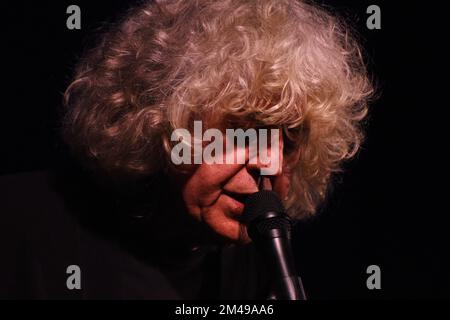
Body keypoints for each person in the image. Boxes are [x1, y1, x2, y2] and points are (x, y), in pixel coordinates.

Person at [0, 0, 373, 299]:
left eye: (289, 138)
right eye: (243, 129)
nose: (270, 160)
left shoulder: (257, 263)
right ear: (159, 121)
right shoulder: (18, 226)